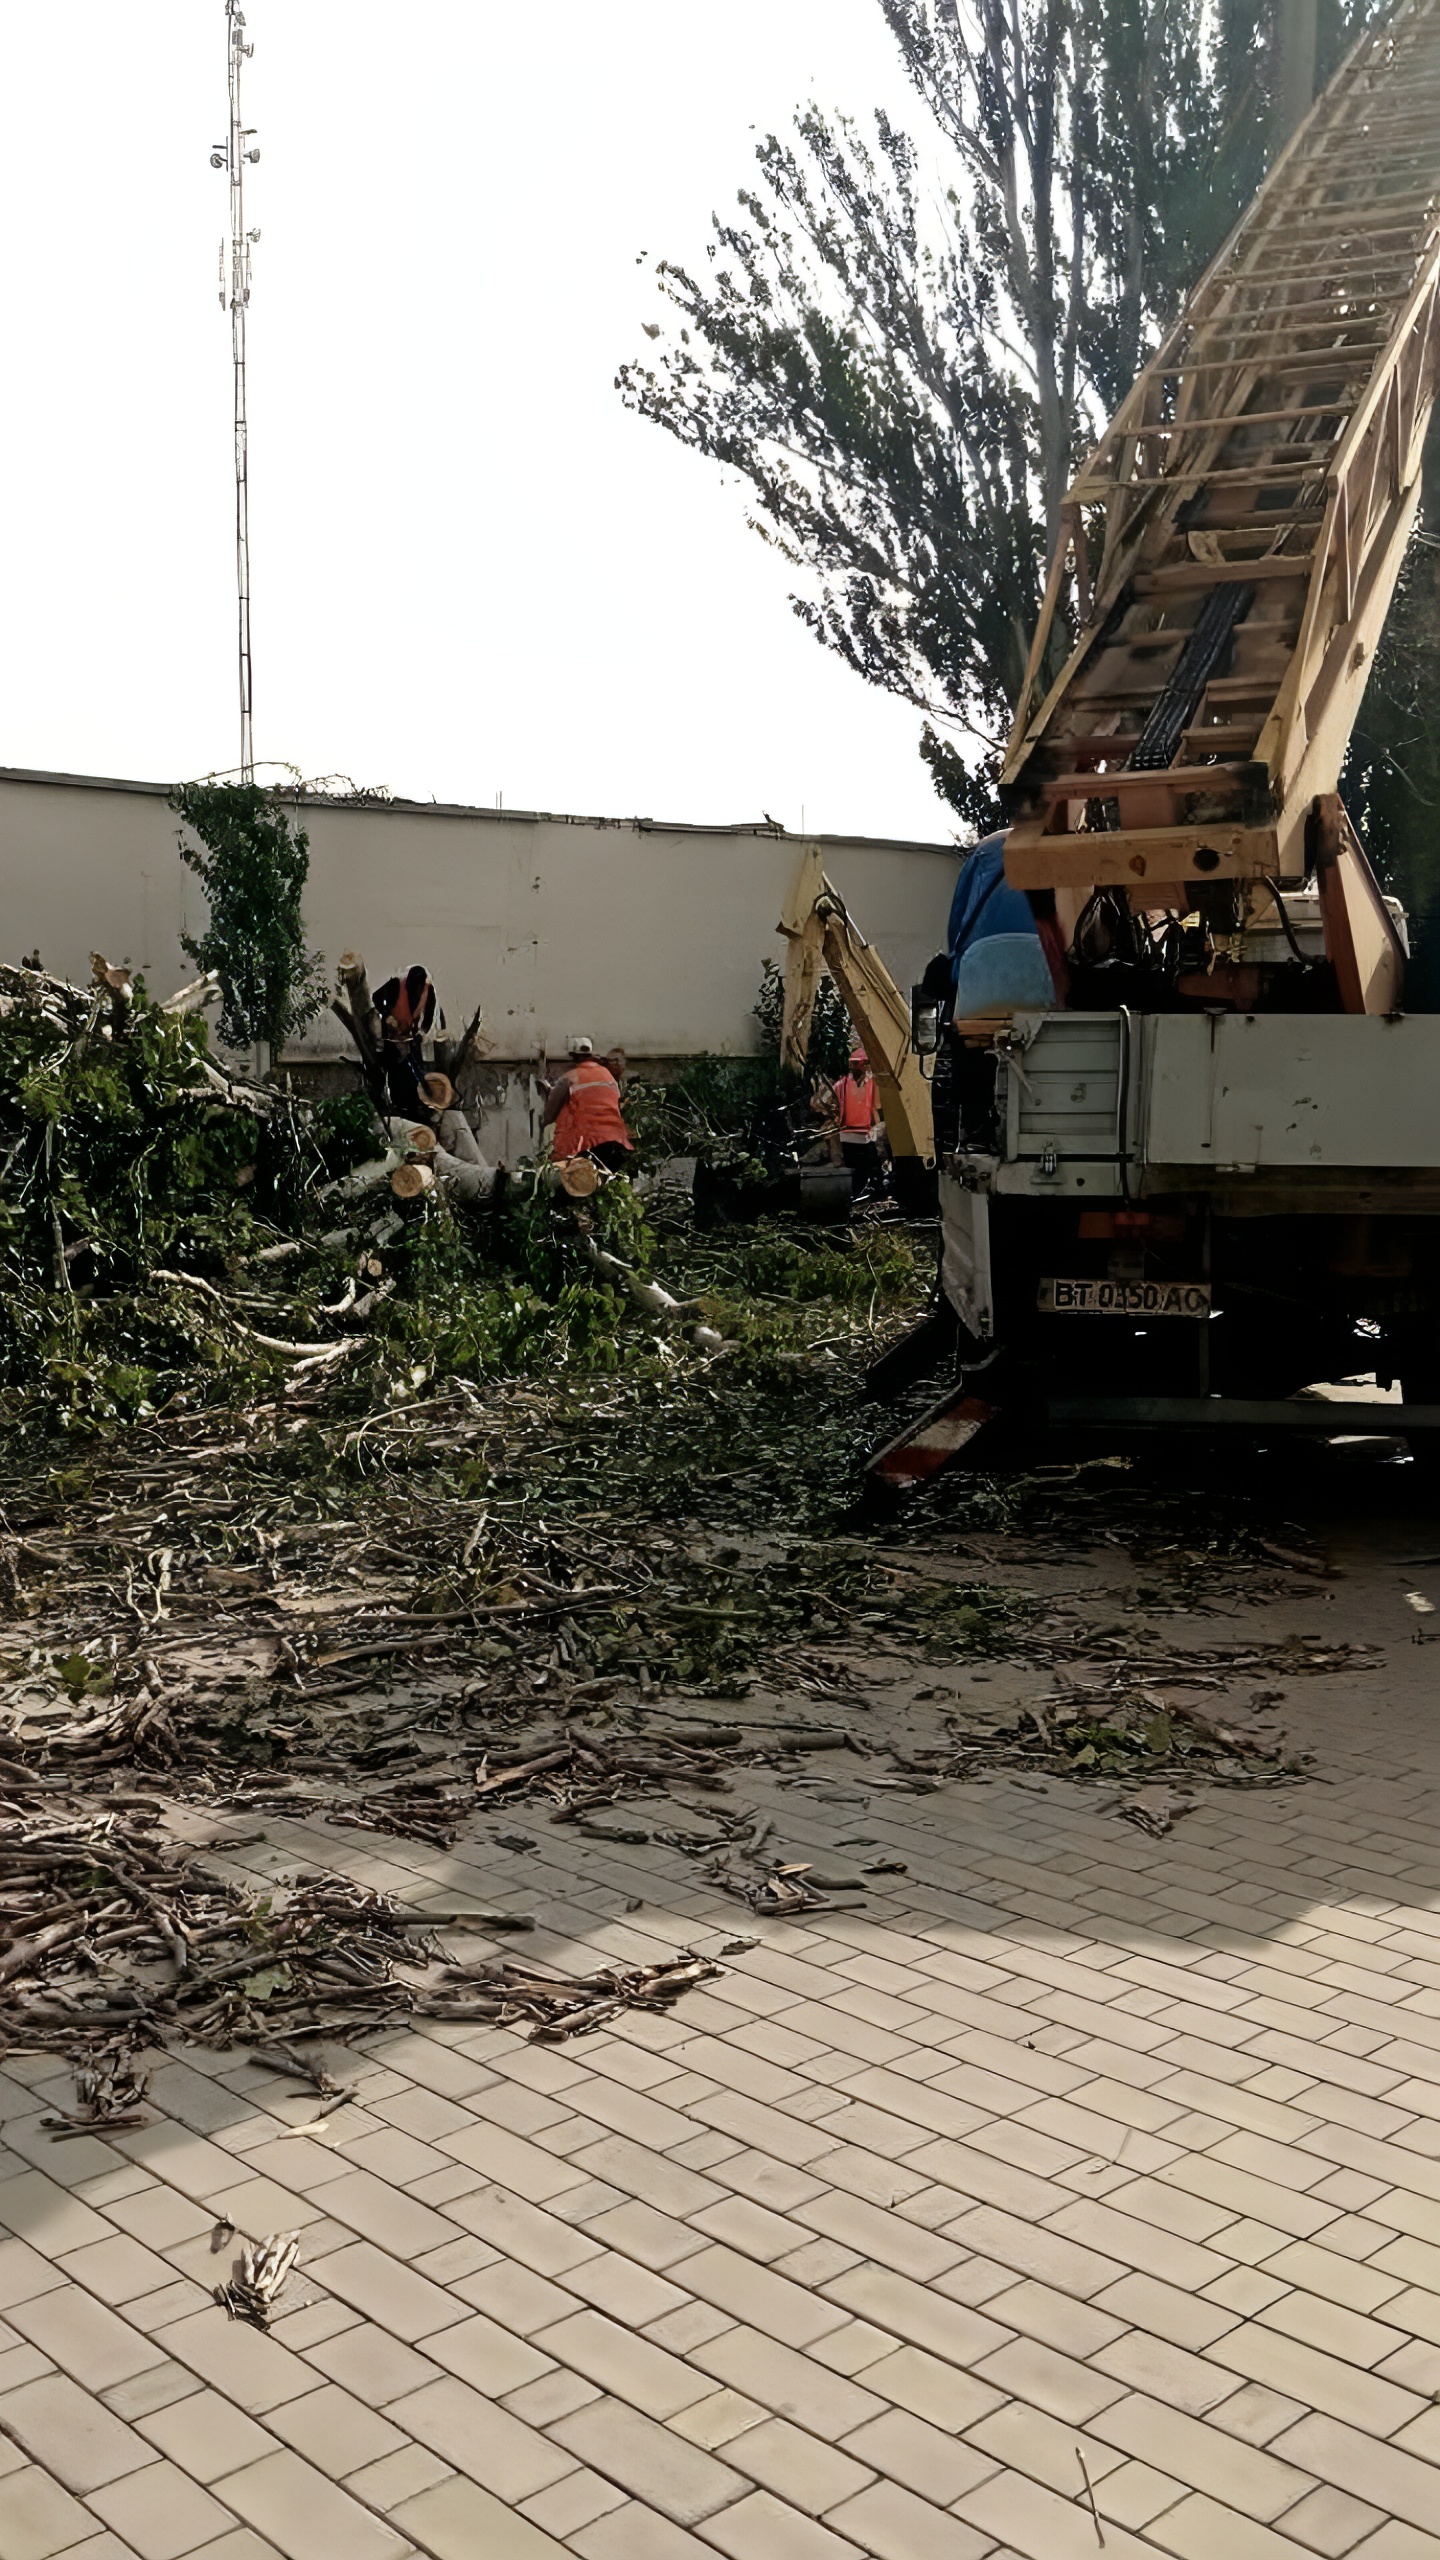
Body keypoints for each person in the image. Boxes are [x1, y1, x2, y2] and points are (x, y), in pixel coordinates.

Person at [543, 1036, 633, 1172]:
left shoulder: (570, 1077)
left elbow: (549, 1114)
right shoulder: (608, 1076)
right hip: (616, 1140)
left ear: (573, 1056)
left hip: (585, 1142)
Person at [373, 964, 444, 1120]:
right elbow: (376, 997)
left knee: (415, 1074)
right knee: (395, 1074)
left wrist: (422, 1032)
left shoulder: (428, 990)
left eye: (419, 987)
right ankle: (398, 1107)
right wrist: (386, 1014)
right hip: (391, 1038)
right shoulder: (396, 985)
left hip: (411, 1037)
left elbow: (430, 1013)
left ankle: (415, 1107)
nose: (417, 991)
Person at [831, 1047, 887, 1196]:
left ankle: (860, 1193)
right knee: (866, 1167)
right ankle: (867, 1192)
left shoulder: (841, 1084)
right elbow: (879, 1105)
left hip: (855, 1134)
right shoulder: (871, 1083)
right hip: (859, 1134)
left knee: (858, 1169)